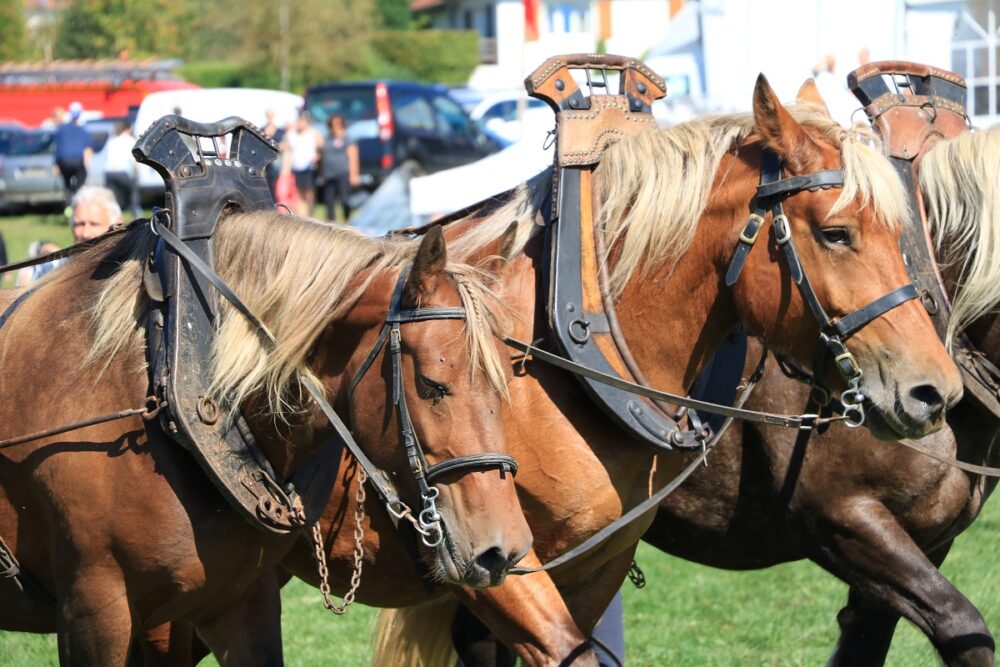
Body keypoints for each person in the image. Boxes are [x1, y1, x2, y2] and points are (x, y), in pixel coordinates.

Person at [16, 186, 122, 286]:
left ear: (116, 226)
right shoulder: (45, 273)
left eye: (94, 224)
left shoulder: (125, 272)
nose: (85, 233)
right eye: (79, 224)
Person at [319, 115, 360, 222]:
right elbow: (323, 157)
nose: (335, 126)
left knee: (345, 199)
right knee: (329, 200)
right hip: (329, 174)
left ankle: (347, 218)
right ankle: (330, 221)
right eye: (333, 124)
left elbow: (353, 157)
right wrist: (322, 173)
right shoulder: (327, 138)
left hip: (343, 172)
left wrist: (354, 174)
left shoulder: (348, 139)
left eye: (337, 124)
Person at [281, 111, 322, 216]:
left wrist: (317, 156)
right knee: (299, 193)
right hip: (297, 167)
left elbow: (320, 148)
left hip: (309, 167)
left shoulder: (314, 133)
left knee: (309, 192)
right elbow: (286, 151)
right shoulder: (291, 135)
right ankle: (303, 214)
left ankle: (311, 213)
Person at [53, 101, 93, 206]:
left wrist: (56, 164)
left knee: (67, 185)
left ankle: (68, 206)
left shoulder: (61, 129)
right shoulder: (83, 130)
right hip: (78, 161)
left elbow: (57, 148)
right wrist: (86, 164)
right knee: (80, 185)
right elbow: (88, 151)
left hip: (63, 161)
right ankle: (78, 204)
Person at [103, 122, 140, 218]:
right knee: (132, 193)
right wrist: (137, 171)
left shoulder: (111, 141)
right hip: (122, 173)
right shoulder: (130, 140)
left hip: (109, 173)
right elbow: (134, 160)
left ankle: (112, 217)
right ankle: (136, 214)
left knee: (113, 198)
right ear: (127, 129)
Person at [261, 109, 286, 201]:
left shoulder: (279, 130)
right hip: (266, 162)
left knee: (277, 185)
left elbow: (284, 146)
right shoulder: (262, 130)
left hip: (276, 161)